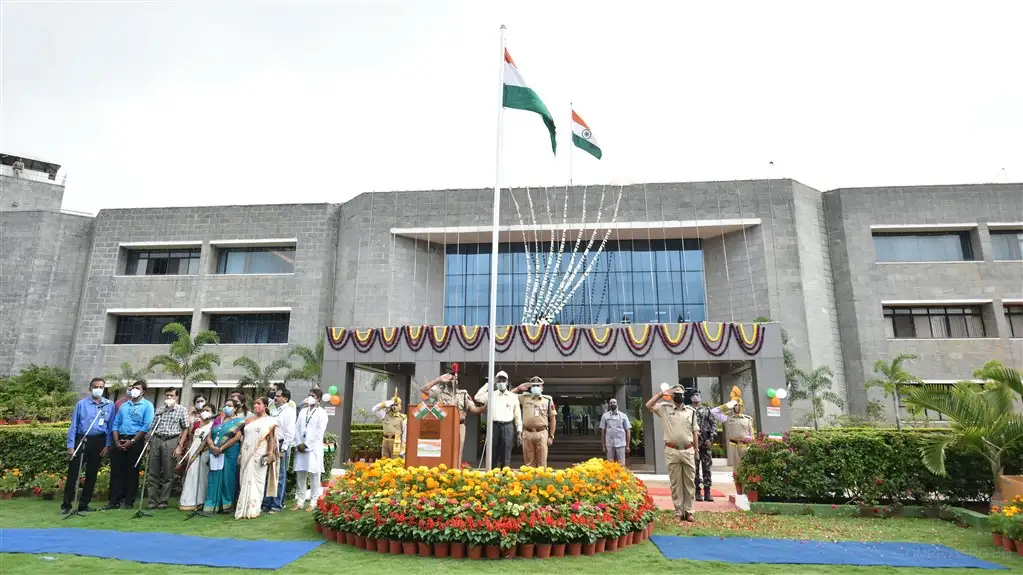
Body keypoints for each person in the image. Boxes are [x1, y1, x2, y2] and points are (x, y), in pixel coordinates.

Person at [646, 384, 699, 523]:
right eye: (676, 393)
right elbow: (648, 405)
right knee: (675, 483)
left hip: (688, 450)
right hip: (672, 450)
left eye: (681, 393)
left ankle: (689, 511)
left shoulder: (691, 411)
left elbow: (695, 432)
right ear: (672, 395)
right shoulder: (664, 408)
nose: (679, 395)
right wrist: (661, 394)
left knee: (689, 482)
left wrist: (697, 449)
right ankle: (678, 511)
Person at [61, 377, 115, 515]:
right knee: (74, 473)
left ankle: (84, 504)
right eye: (96, 386)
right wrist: (70, 445)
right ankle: (67, 504)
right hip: (82, 439)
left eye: (101, 387)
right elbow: (74, 425)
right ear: (90, 389)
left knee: (92, 474)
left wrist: (107, 445)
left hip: (99, 442)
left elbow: (110, 427)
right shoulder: (81, 404)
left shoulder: (109, 405)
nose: (98, 389)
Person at [105, 380, 154, 510]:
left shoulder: (147, 405)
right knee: (116, 471)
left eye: (137, 388)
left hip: (135, 440)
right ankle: (113, 501)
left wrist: (132, 442)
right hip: (120, 438)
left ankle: (128, 501)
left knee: (132, 471)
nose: (134, 390)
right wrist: (116, 442)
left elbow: (146, 426)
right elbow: (115, 424)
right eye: (133, 388)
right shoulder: (124, 406)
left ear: (143, 391)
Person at [422, 371, 484, 465]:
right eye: (449, 378)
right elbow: (424, 389)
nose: (452, 380)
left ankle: (455, 471)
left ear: (457, 380)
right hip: (443, 426)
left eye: (454, 378)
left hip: (459, 426)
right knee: (442, 450)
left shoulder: (463, 394)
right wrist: (438, 380)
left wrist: (485, 408)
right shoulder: (439, 393)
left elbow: (474, 409)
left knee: (457, 450)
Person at [236, 398, 278, 519]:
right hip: (246, 451)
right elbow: (244, 438)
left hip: (260, 451)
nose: (256, 405)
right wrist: (240, 453)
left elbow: (271, 439)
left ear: (265, 406)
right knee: (244, 479)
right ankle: (242, 509)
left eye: (258, 403)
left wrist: (270, 453)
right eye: (254, 403)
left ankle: (254, 509)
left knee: (258, 480)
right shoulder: (249, 420)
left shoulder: (269, 421)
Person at [147, 388, 189, 509]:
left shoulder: (181, 410)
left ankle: (163, 501)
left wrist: (180, 445)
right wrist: (149, 443)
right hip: (157, 439)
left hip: (172, 440)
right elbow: (152, 427)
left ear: (176, 397)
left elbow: (185, 428)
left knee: (168, 473)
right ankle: (152, 501)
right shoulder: (160, 410)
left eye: (171, 395)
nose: (169, 398)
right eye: (167, 395)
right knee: (153, 472)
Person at [202, 400, 246, 515]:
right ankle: (212, 505)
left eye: (230, 406)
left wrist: (221, 448)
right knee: (214, 477)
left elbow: (237, 437)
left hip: (229, 452)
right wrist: (212, 446)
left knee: (228, 477)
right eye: (225, 405)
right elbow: (209, 435)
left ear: (235, 408)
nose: (226, 407)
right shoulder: (217, 420)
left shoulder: (239, 421)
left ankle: (226, 505)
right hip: (214, 451)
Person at [473, 370, 522, 470]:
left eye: (503, 380)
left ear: (507, 382)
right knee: (492, 452)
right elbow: (477, 397)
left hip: (508, 426)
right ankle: (492, 475)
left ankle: (505, 475)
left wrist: (519, 431)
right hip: (494, 426)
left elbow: (517, 415)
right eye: (499, 380)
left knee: (506, 453)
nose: (501, 382)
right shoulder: (491, 395)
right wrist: (490, 383)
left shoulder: (513, 397)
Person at [293, 388, 328, 511]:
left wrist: (307, 444)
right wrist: (298, 443)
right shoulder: (303, 411)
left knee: (314, 474)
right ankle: (300, 500)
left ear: (318, 399)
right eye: (309, 395)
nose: (310, 397)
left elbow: (319, 433)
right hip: (300, 447)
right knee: (301, 474)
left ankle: (314, 501)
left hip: (313, 449)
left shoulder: (322, 413)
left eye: (312, 395)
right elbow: (296, 428)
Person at [263, 388, 295, 513]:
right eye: (275, 396)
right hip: (270, 444)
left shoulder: (289, 411)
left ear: (285, 398)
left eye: (278, 396)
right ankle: (267, 503)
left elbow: (290, 432)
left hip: (281, 445)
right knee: (268, 474)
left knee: (279, 475)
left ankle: (277, 504)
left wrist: (284, 448)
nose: (275, 398)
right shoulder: (273, 409)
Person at [691, 392, 728, 502]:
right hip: (694, 443)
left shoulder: (707, 410)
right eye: (694, 395)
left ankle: (707, 492)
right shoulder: (688, 410)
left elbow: (713, 425)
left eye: (698, 395)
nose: (696, 397)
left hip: (705, 442)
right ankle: (697, 491)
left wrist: (710, 439)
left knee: (707, 468)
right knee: (695, 468)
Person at [511, 377, 556, 468]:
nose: (535, 387)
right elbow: (509, 395)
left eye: (538, 385)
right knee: (528, 463)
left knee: (542, 463)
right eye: (533, 386)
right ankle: (530, 481)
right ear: (530, 388)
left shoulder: (547, 400)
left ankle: (541, 481)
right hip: (527, 433)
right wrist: (519, 388)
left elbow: (553, 419)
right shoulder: (524, 398)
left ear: (542, 387)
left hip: (542, 433)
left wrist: (551, 436)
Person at [179, 403, 215, 511]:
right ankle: (188, 501)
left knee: (201, 476)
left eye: (208, 410)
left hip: (204, 453)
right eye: (203, 410)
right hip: (193, 452)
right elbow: (191, 438)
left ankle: (200, 501)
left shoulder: (213, 424)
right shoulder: (197, 424)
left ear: (213, 413)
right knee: (191, 475)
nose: (205, 412)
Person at [371, 391, 407, 459]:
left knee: (396, 462)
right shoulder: (384, 414)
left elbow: (405, 434)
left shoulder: (403, 417)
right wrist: (385, 403)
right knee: (384, 461)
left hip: (396, 442)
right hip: (385, 440)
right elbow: (374, 409)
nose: (394, 407)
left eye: (396, 405)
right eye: (392, 405)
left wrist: (403, 448)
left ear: (399, 406)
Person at [724, 386, 754, 466]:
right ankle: (736, 478)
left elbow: (752, 435)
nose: (738, 407)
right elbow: (715, 412)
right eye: (736, 405)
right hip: (734, 445)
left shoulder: (748, 419)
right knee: (736, 466)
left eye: (740, 405)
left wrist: (751, 445)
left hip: (745, 445)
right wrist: (729, 405)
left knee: (745, 466)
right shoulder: (728, 417)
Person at [599, 398, 632, 465]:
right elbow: (603, 432)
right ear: (609, 405)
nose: (612, 404)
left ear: (617, 404)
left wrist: (628, 446)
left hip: (621, 443)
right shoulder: (605, 416)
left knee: (621, 464)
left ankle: (622, 475)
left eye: (614, 402)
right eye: (611, 403)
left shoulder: (623, 416)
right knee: (610, 464)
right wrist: (603, 446)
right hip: (609, 444)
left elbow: (628, 430)